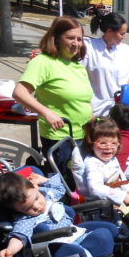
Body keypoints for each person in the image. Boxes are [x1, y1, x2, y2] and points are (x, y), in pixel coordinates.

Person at [13, 16, 93, 171]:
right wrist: (46, 113)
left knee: (80, 186)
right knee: (63, 186)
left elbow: (83, 101)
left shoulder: (77, 66)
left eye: (79, 39)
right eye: (70, 38)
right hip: (60, 138)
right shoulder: (42, 62)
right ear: (56, 38)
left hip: (82, 136)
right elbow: (19, 93)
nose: (76, 43)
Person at [82, 12, 129, 116]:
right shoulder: (90, 47)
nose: (124, 37)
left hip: (120, 110)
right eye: (121, 34)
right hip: (95, 108)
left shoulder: (126, 50)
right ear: (109, 31)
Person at [81, 118, 129, 206]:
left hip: (117, 202)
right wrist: (123, 196)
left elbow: (121, 177)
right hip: (101, 206)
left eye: (113, 143)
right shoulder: (92, 163)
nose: (109, 147)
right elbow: (95, 188)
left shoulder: (112, 159)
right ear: (92, 144)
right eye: (103, 143)